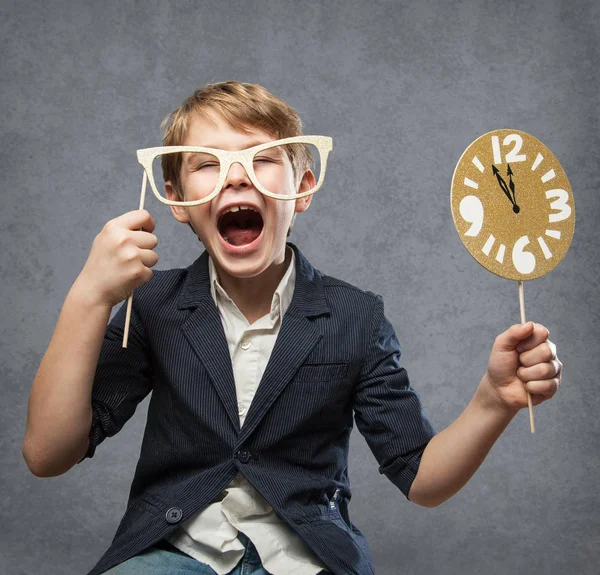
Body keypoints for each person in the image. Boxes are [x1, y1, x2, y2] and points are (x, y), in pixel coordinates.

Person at [22, 81, 562, 575]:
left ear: (302, 188)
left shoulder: (355, 317)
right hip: (173, 555)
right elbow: (48, 454)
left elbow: (421, 479)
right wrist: (89, 295)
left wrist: (494, 400)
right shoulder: (156, 306)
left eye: (262, 158)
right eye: (207, 163)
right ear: (176, 197)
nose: (236, 176)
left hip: (309, 560)